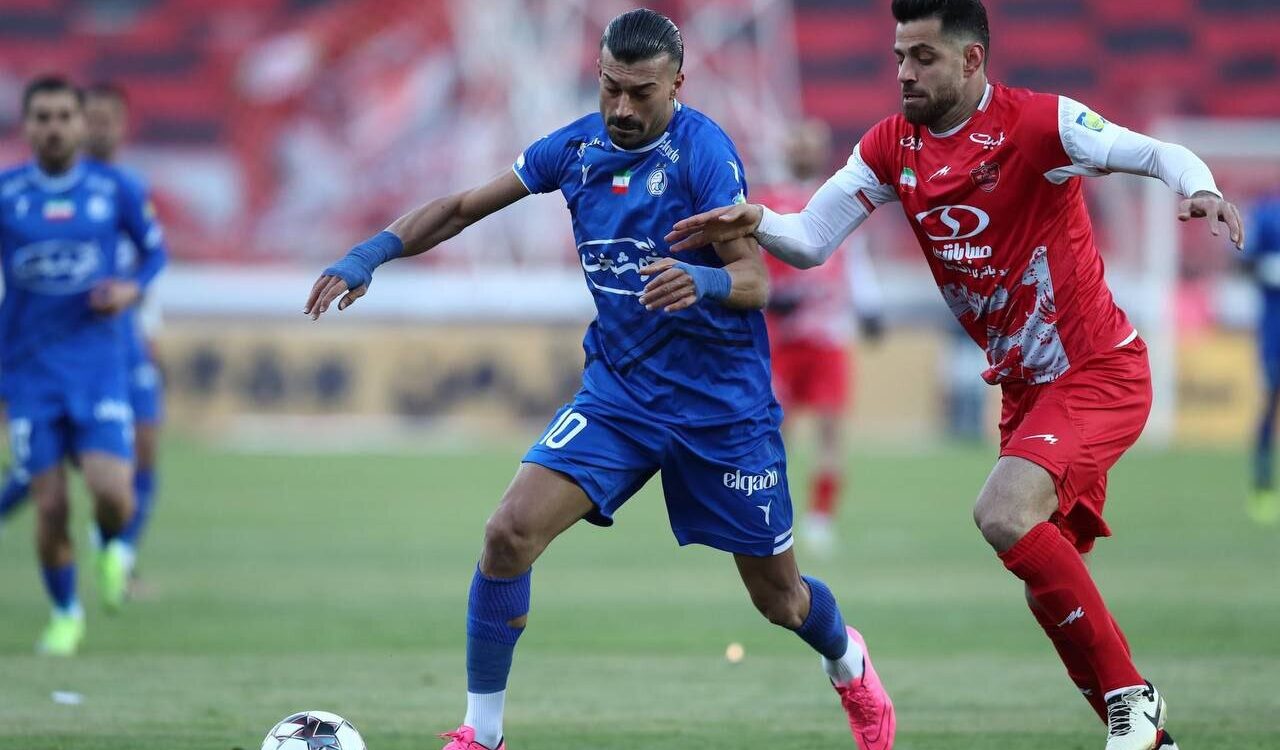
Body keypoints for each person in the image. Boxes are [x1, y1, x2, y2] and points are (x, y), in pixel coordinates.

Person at [304, 10, 894, 750]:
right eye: (611, 87)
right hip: (621, 397)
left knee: (780, 600)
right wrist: (371, 253)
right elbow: (459, 209)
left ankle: (847, 662)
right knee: (508, 534)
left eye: (640, 93)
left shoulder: (705, 154)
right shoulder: (574, 148)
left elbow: (755, 282)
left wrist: (703, 281)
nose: (621, 107)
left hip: (721, 410)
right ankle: (482, 734)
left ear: (677, 84)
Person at [664, 2, 1246, 748]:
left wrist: (1199, 187)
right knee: (1043, 578)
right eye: (899, 56)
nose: (904, 72)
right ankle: (1147, 738)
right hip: (1026, 392)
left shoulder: (1039, 124)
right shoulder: (890, 146)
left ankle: (1135, 700)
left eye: (923, 57)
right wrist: (754, 220)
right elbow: (809, 239)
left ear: (972, 60)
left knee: (1003, 514)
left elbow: (1157, 153)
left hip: (1097, 371)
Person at [0, 75, 168, 655]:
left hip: (97, 365)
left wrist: (131, 290)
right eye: (41, 117)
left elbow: (155, 252)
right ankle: (65, 614)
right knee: (49, 504)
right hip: (28, 370)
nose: (53, 127)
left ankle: (111, 545)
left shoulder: (115, 189)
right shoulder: (7, 193)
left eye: (62, 116)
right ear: (27, 126)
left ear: (79, 122)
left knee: (114, 493)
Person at [759, 120, 885, 553]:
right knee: (774, 429)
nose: (803, 151)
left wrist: (869, 306)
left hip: (828, 333)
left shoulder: (837, 198)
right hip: (779, 338)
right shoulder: (768, 201)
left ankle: (820, 517)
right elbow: (752, 261)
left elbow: (855, 257)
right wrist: (769, 297)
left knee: (830, 427)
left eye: (810, 144)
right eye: (797, 143)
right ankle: (770, 510)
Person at [1244, 190, 1280, 525]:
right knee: (1269, 405)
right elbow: (1245, 263)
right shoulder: (1268, 215)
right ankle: (1263, 486)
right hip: (1274, 333)